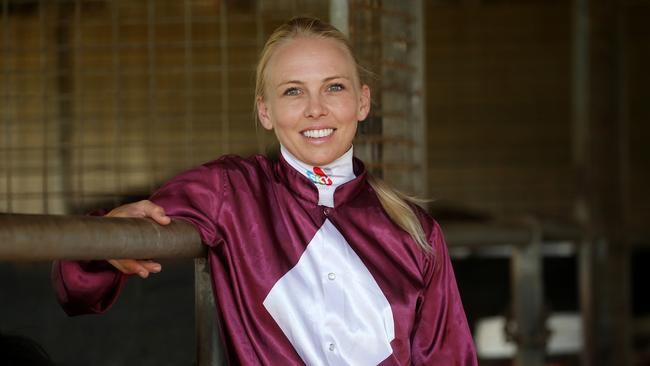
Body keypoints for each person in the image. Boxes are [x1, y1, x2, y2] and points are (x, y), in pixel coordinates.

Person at [52, 17, 478, 365]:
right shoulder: (230, 191)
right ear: (265, 111)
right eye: (293, 91)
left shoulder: (416, 233)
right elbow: (77, 283)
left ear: (362, 102)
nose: (316, 108)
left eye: (334, 87)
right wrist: (108, 237)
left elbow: (449, 357)